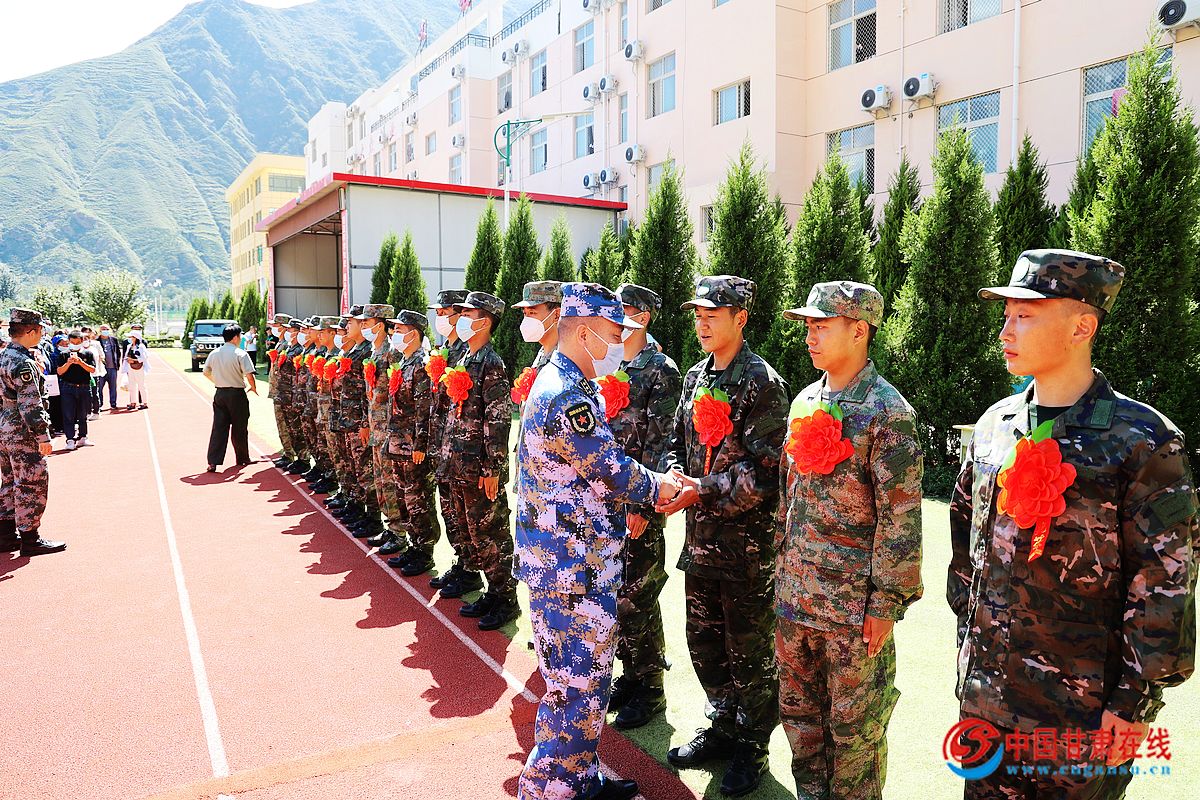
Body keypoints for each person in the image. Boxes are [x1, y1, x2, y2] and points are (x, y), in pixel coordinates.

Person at [948, 249, 1198, 798]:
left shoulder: (1142, 442)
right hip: (987, 700)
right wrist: (969, 650)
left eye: (1025, 315)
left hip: (1080, 715)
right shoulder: (995, 425)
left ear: (1082, 326)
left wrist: (1133, 704)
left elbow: (1165, 583)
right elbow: (966, 546)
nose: (1006, 331)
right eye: (1007, 315)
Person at [514, 283, 686, 800]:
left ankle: (577, 779)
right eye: (614, 333)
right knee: (576, 690)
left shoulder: (564, 381)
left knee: (580, 688)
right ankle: (549, 789)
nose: (619, 343)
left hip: (568, 563)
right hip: (571, 569)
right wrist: (662, 487)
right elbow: (609, 468)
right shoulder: (566, 394)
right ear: (585, 333)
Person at [775, 281, 924, 800]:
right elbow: (787, 498)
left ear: (859, 330)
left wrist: (885, 604)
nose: (810, 337)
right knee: (800, 721)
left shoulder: (888, 412)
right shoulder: (804, 401)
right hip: (796, 600)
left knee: (855, 735)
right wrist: (781, 578)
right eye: (808, 327)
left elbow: (900, 518)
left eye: (822, 326)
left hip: (852, 613)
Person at [659, 275, 790, 797]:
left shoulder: (762, 383)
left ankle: (752, 745)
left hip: (746, 552)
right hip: (700, 542)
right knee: (705, 643)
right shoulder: (695, 377)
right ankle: (723, 724)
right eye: (698, 314)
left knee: (749, 653)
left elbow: (768, 473)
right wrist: (674, 474)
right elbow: (676, 440)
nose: (702, 323)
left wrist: (703, 489)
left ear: (741, 318)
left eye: (713, 314)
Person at [604, 283, 683, 730]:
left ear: (644, 316)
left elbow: (661, 443)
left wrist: (645, 505)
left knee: (639, 595)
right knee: (614, 594)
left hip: (639, 503)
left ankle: (650, 688)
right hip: (606, 500)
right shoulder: (611, 363)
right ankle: (630, 676)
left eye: (626, 309)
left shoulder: (660, 370)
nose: (618, 316)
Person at [436, 291, 518, 630]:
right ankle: (487, 588)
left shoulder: (491, 363)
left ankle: (505, 598)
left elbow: (497, 419)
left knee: (490, 534)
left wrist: (492, 468)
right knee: (470, 531)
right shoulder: (465, 358)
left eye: (469, 314)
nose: (462, 319)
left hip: (479, 467)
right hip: (458, 463)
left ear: (484, 322)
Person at [0, 308, 67, 557]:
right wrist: (42, 436)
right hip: (22, 431)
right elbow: (30, 404)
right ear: (30, 331)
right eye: (39, 330)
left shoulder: (3, 356)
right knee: (31, 482)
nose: (41, 335)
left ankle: (6, 536)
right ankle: (30, 539)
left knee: (9, 481)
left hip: (4, 427)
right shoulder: (23, 362)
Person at [383, 310, 442, 576]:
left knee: (418, 500)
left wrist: (420, 444)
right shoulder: (404, 361)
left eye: (399, 330)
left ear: (414, 333)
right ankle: (413, 545)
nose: (394, 334)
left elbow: (424, 409)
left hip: (412, 447)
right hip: (398, 444)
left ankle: (424, 551)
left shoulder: (421, 364)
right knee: (404, 498)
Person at [426, 289, 472, 593]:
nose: (440, 318)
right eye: (438, 313)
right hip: (441, 445)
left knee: (463, 513)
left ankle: (469, 569)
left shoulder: (465, 354)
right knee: (450, 511)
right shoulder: (444, 350)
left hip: (457, 446)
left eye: (445, 313)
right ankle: (461, 562)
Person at [360, 304, 405, 548]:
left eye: (366, 322)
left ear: (380, 325)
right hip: (376, 429)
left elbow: (398, 395)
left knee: (390, 483)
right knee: (380, 482)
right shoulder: (374, 352)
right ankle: (390, 527)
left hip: (388, 430)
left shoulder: (392, 353)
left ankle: (399, 533)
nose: (363, 326)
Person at [202, 323, 258, 472]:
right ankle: (242, 458)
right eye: (239, 336)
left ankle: (213, 462)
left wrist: (217, 381)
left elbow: (206, 372)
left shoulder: (214, 353)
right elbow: (249, 375)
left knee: (218, 428)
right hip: (237, 394)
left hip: (220, 393)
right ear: (235, 337)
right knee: (240, 428)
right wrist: (253, 387)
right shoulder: (240, 353)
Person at [56, 330, 97, 450]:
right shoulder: (63, 354)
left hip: (84, 387)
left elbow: (92, 369)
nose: (75, 345)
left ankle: (83, 437)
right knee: (68, 414)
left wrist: (80, 362)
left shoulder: (88, 353)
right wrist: (68, 363)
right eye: (72, 342)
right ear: (69, 341)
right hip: (68, 387)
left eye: (77, 342)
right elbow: (59, 371)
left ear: (82, 341)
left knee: (83, 414)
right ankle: (70, 439)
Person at [121, 324, 151, 410]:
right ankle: (133, 402)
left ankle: (144, 403)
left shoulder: (141, 346)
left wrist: (134, 360)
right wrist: (127, 360)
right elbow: (126, 356)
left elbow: (144, 358)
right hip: (130, 367)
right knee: (132, 385)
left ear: (136, 338)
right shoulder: (129, 346)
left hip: (139, 368)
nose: (130, 338)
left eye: (132, 337)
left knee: (141, 385)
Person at [95, 324, 122, 411]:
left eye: (106, 329)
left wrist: (117, 363)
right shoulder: (96, 341)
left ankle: (113, 404)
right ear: (100, 331)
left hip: (112, 368)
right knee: (99, 388)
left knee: (113, 387)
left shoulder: (113, 340)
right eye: (103, 329)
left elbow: (118, 352)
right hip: (101, 369)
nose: (105, 331)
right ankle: (99, 405)